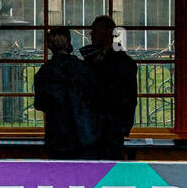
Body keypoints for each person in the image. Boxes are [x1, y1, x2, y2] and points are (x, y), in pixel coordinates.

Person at [33, 27, 100, 159]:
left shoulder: (45, 72)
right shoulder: (81, 67)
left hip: (56, 132)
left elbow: (40, 104)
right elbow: (94, 97)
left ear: (50, 46)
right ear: (68, 42)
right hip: (81, 131)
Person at [82, 15, 138, 159]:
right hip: (92, 127)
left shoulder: (123, 64)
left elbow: (129, 98)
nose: (91, 33)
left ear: (107, 32)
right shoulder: (91, 59)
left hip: (110, 128)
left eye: (95, 29)